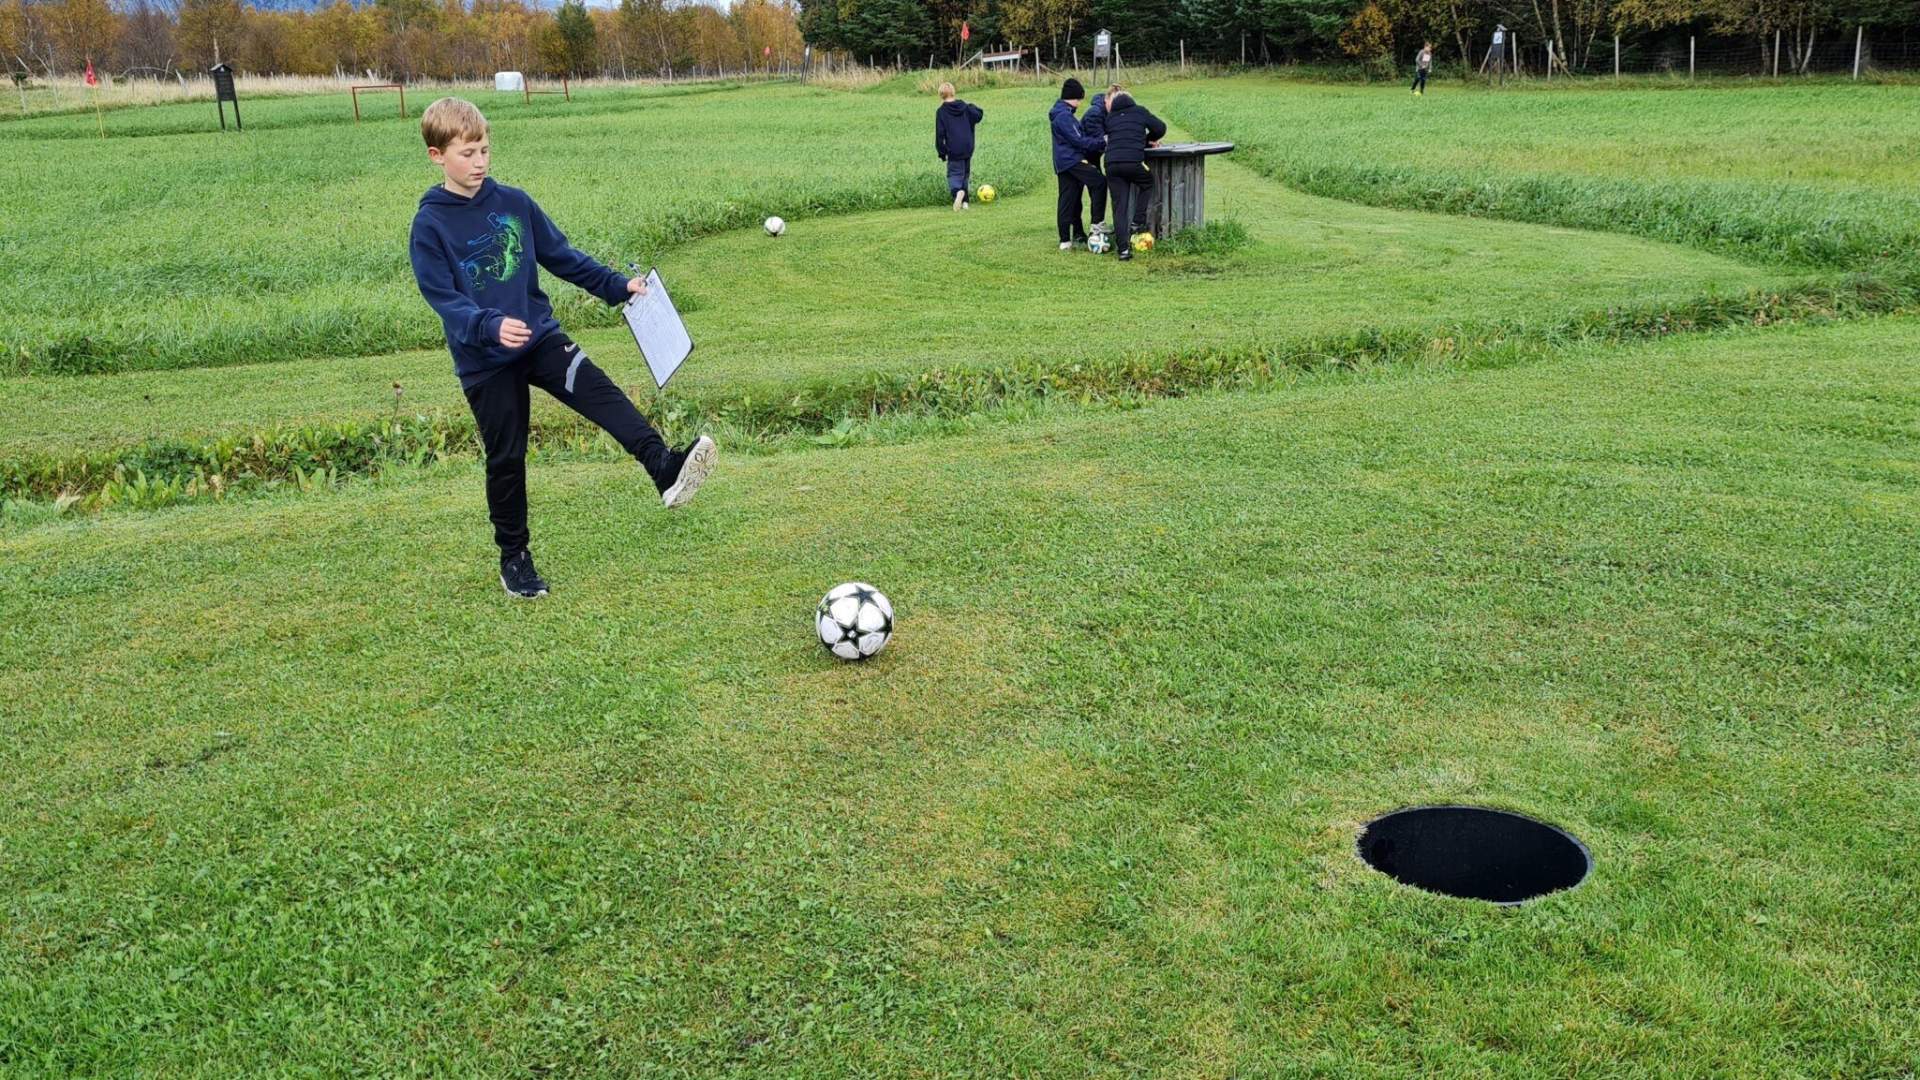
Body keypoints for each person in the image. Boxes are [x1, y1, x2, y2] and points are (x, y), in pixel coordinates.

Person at [409, 97, 717, 600]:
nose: (480, 161)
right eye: (468, 153)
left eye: (485, 149)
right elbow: (442, 297)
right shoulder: (430, 225)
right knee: (507, 458)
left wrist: (619, 286)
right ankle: (515, 560)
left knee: (603, 393)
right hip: (486, 360)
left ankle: (664, 469)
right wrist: (488, 326)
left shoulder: (514, 202)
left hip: (539, 338)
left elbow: (563, 257)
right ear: (436, 156)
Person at [1100, 89, 1167, 261]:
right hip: (1133, 163)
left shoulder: (1110, 118)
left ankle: (1123, 250)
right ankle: (1138, 221)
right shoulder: (1139, 111)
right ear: (1131, 101)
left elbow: (1116, 136)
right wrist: (1148, 140)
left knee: (1119, 207)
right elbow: (1160, 128)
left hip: (1112, 165)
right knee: (1148, 182)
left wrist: (1140, 139)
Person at [1050, 78, 1108, 252]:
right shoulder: (1064, 116)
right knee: (1099, 182)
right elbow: (1079, 140)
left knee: (1069, 198)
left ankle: (1066, 239)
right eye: (1080, 99)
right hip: (1072, 161)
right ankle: (1096, 226)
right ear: (1074, 97)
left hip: (1063, 162)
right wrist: (1102, 142)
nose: (1080, 103)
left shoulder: (1061, 113)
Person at [1076, 84, 1119, 238]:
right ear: (1107, 99)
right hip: (1081, 156)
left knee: (1098, 186)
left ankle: (1096, 224)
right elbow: (1100, 139)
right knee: (1082, 190)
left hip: (1092, 155)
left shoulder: (1108, 111)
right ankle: (1088, 229)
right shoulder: (1095, 113)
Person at [934, 82, 984, 211]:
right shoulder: (965, 107)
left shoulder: (941, 112)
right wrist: (968, 104)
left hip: (954, 149)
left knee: (954, 174)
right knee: (965, 174)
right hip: (968, 146)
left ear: (941, 95)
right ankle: (965, 202)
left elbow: (940, 134)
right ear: (953, 92)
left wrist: (942, 152)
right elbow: (978, 114)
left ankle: (958, 193)